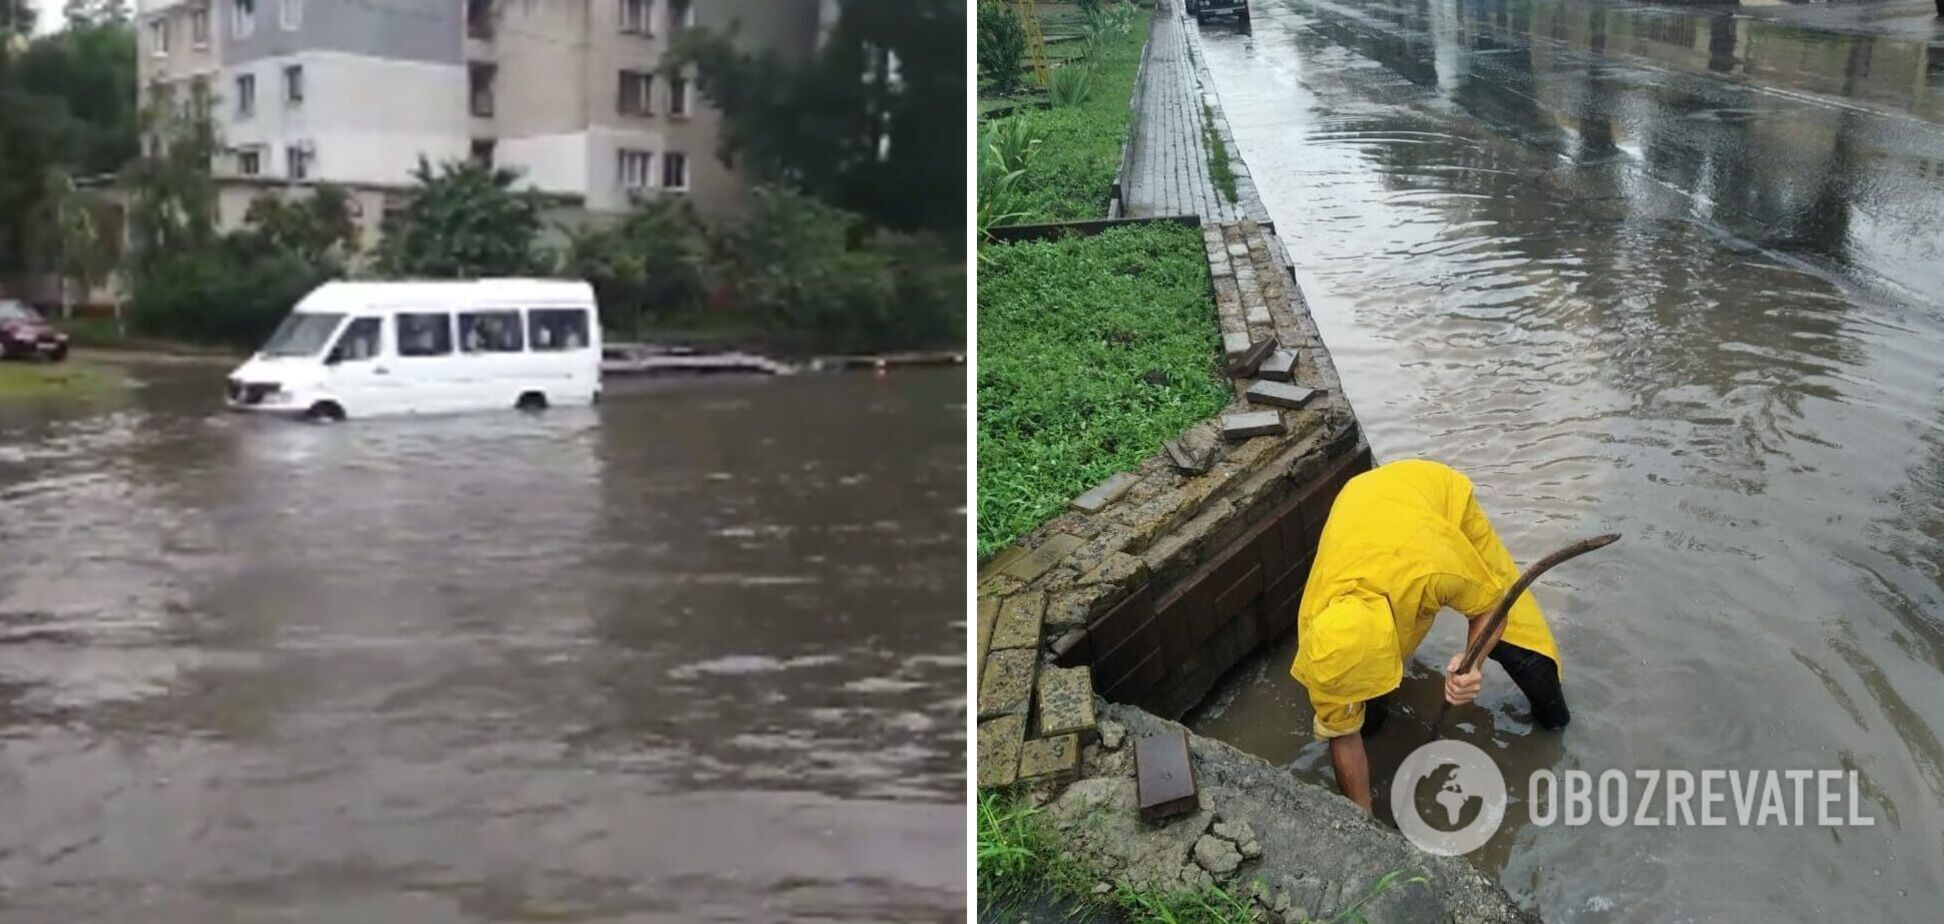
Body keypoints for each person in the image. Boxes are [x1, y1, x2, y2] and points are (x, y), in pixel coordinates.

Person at [1288, 459, 1569, 812]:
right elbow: (1342, 734)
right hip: (1359, 503)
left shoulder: (1435, 568)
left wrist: (1472, 663)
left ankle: (1555, 720)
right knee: (1363, 721)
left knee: (1524, 652)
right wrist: (1363, 822)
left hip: (1435, 498)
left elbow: (1491, 608)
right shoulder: (1320, 638)